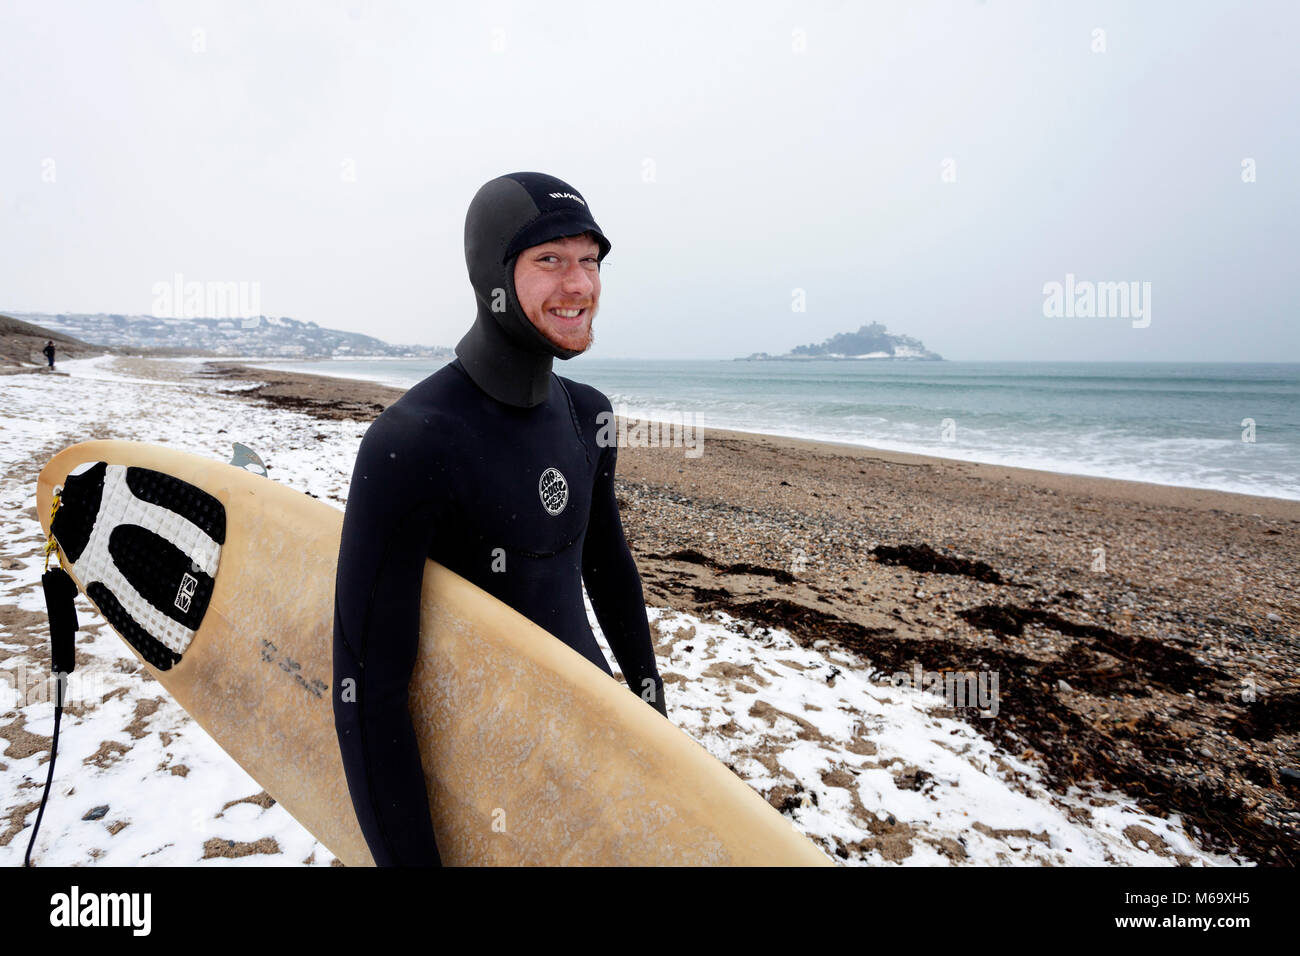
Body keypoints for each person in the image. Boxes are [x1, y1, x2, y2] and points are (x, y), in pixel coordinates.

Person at [332, 171, 667, 868]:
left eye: (590, 260)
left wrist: (650, 721)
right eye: (549, 260)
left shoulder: (588, 415)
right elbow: (369, 689)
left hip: (588, 742)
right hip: (482, 780)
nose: (579, 284)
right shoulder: (413, 440)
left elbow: (608, 570)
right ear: (493, 274)